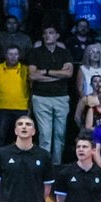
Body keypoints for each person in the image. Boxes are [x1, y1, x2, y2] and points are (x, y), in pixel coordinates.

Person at [27, 25, 74, 163]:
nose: (48, 35)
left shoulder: (64, 53)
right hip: (41, 97)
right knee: (45, 134)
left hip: (61, 97)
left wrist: (46, 71)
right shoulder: (35, 52)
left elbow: (69, 73)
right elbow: (33, 76)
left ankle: (57, 164)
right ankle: (45, 165)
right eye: (45, 33)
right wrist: (58, 74)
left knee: (60, 134)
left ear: (57, 36)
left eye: (51, 33)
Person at [0, 44, 30, 148]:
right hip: (2, 109)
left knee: (20, 138)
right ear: (5, 55)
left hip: (21, 108)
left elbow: (31, 90)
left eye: (16, 54)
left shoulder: (25, 69)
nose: (13, 57)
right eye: (10, 54)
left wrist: (30, 108)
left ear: (19, 56)